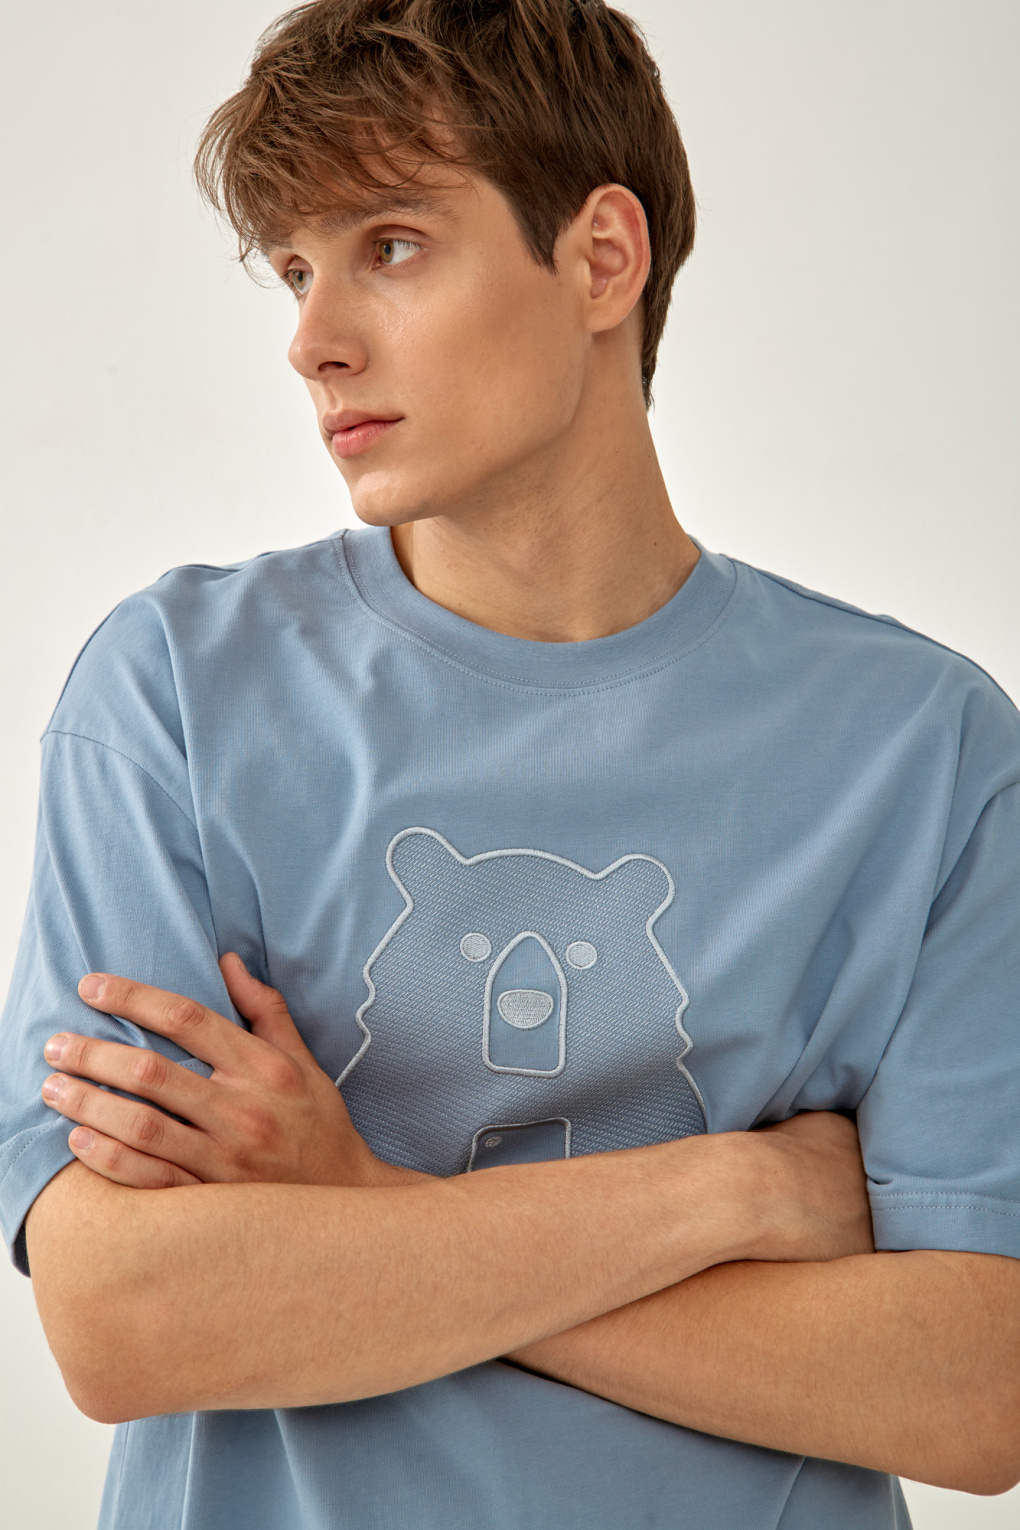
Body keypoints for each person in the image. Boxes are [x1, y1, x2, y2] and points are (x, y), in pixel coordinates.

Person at [1, 2, 1018, 1526]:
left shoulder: (921, 748)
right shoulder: (179, 691)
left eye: (392, 246)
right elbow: (127, 1317)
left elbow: (973, 1390)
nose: (312, 340)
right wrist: (728, 1192)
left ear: (602, 258)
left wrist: (359, 1210)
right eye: (296, 268)